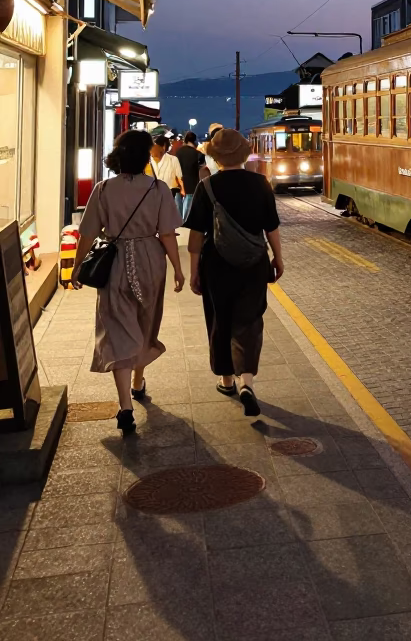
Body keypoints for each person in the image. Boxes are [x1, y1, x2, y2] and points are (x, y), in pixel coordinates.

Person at [70, 130, 184, 436]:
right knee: (145, 324)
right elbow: (168, 234)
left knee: (118, 330)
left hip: (114, 261)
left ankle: (125, 406)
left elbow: (88, 232)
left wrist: (77, 266)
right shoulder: (158, 189)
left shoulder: (103, 189)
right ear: (146, 156)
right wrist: (177, 268)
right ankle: (137, 381)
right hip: (151, 260)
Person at [185, 128, 284, 417]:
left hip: (216, 264)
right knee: (250, 318)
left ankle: (226, 379)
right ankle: (247, 381)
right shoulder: (260, 183)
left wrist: (193, 271)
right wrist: (277, 258)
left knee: (219, 318)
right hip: (254, 263)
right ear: (243, 154)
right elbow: (272, 226)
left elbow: (195, 235)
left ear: (215, 157)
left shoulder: (208, 187)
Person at [148, 134, 183, 213]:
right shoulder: (173, 159)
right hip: (169, 193)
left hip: (160, 193)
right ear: (164, 146)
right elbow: (180, 177)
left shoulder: (150, 160)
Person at [176, 131, 204, 219]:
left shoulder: (178, 152)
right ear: (194, 140)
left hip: (179, 180)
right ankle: (185, 220)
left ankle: (179, 219)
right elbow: (202, 166)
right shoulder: (197, 153)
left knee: (179, 200)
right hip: (192, 180)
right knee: (188, 201)